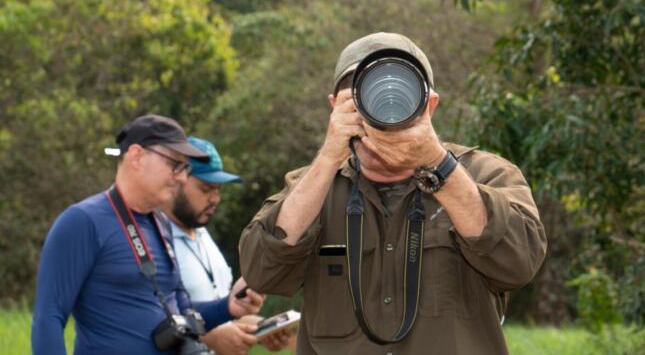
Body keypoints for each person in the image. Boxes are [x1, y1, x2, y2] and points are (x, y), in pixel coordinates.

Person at [239, 32, 548, 354]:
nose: (379, 112)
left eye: (397, 94)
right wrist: (328, 159)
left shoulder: (485, 174)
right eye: (360, 98)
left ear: (429, 105)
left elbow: (520, 264)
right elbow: (261, 272)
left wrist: (438, 166)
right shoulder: (312, 187)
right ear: (334, 106)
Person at [32, 114, 262, 354]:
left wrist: (229, 306)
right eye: (175, 165)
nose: (182, 177)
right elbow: (49, 318)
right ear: (137, 157)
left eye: (186, 168)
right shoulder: (82, 221)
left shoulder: (160, 223)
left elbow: (182, 313)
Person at [164, 136, 292, 354]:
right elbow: (140, 316)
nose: (215, 198)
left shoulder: (201, 233)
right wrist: (210, 337)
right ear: (176, 181)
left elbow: (217, 308)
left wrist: (258, 326)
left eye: (218, 189)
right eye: (206, 189)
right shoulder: (150, 239)